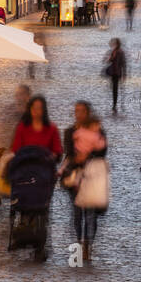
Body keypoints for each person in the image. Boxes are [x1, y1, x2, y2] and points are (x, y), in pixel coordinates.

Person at [61, 101, 108, 263]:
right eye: (76, 111)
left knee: (90, 214)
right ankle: (80, 241)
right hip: (75, 177)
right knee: (77, 213)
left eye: (81, 111)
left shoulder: (98, 130)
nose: (78, 114)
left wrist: (87, 156)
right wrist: (76, 158)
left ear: (87, 113)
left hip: (92, 176)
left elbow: (103, 151)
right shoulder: (69, 132)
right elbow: (68, 151)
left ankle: (88, 243)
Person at [102, 37, 126, 114]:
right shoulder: (114, 51)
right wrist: (109, 58)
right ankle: (114, 103)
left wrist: (124, 74)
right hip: (114, 72)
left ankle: (114, 104)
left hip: (117, 72)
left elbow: (123, 63)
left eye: (114, 43)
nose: (113, 45)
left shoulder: (120, 52)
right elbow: (110, 60)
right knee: (114, 88)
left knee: (115, 89)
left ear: (117, 44)